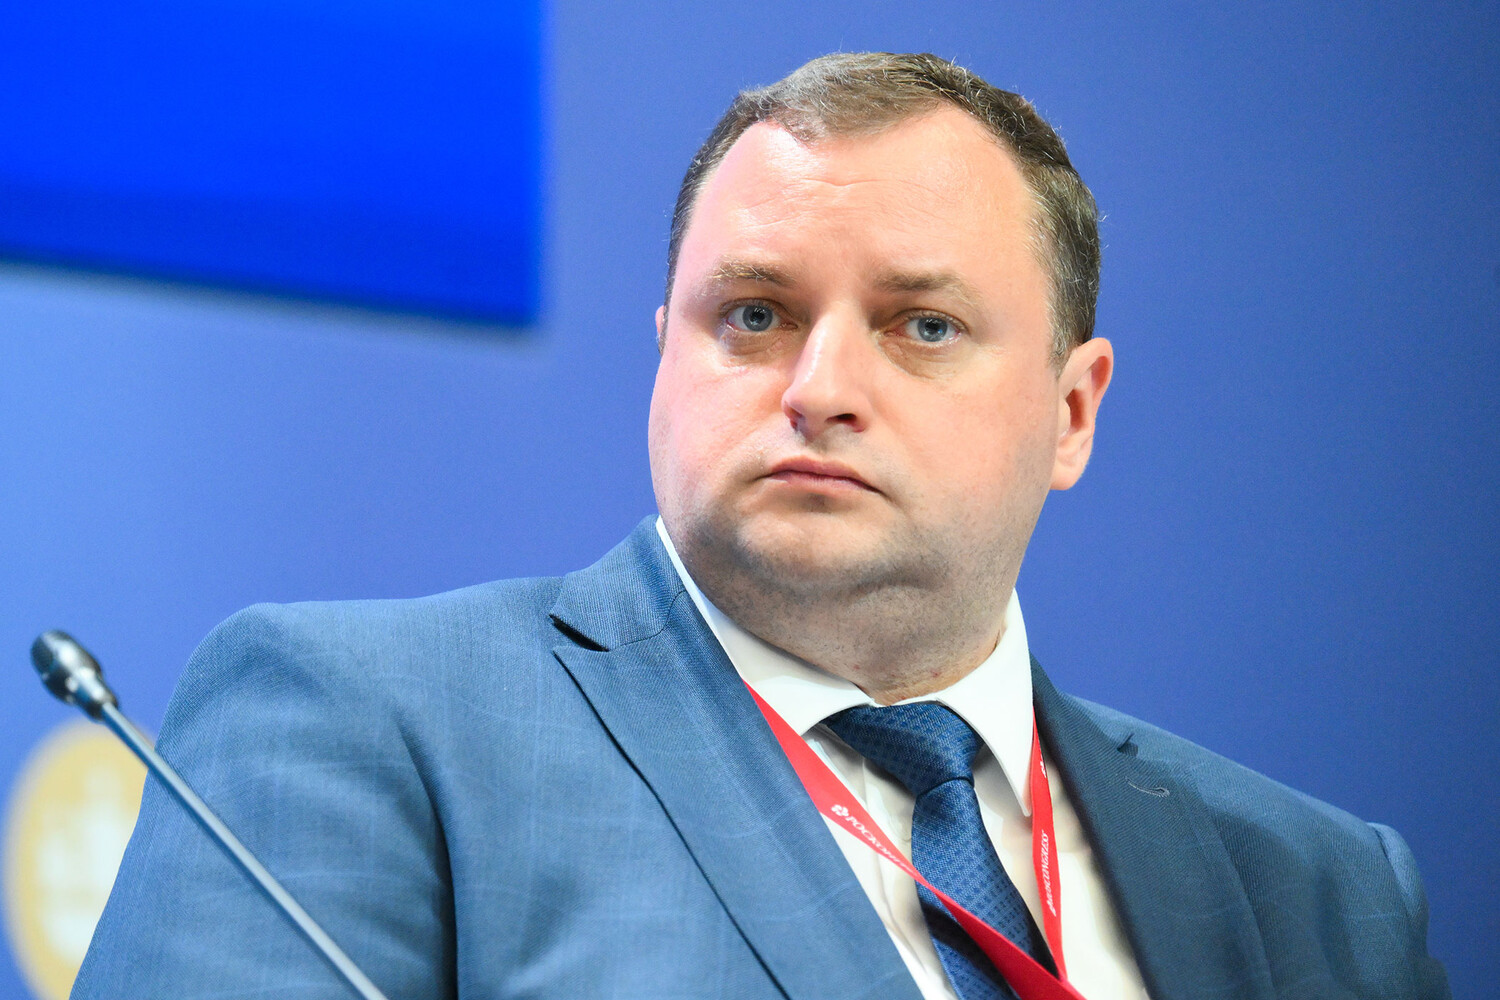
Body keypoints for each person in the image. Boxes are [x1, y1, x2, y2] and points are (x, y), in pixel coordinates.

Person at [74, 52, 1449, 1000]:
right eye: (755, 315)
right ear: (661, 356)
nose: (820, 387)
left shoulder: (1324, 892)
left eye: (922, 326)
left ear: (1073, 412)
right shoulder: (370, 729)